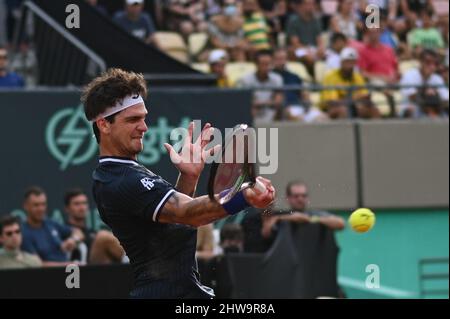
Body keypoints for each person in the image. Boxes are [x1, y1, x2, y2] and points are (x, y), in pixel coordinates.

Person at [81, 68, 275, 299]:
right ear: (104, 125)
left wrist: (189, 178)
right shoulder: (121, 180)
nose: (144, 127)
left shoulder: (120, 174)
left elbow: (174, 226)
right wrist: (243, 196)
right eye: (133, 120)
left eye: (143, 118)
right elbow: (188, 214)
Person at [20, 186, 85, 266]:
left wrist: (73, 240)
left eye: (43, 204)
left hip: (67, 270)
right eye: (36, 205)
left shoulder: (50, 223)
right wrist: (68, 265)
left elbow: (78, 232)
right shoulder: (23, 233)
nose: (41, 209)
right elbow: (37, 264)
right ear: (26, 206)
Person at [262, 181, 345, 239]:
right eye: (296, 196)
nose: (300, 199)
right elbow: (265, 234)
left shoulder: (314, 214)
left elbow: (340, 223)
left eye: (303, 196)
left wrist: (311, 219)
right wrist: (286, 218)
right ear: (288, 198)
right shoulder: (279, 216)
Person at [321, 47, 379, 119]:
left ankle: (372, 129)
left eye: (352, 62)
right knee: (344, 110)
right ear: (341, 62)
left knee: (373, 109)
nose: (350, 65)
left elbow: (364, 95)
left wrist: (362, 100)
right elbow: (332, 102)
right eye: (347, 62)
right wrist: (355, 99)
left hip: (353, 105)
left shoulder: (357, 76)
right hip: (330, 109)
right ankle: (345, 130)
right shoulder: (330, 77)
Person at [273, 48, 325, 122]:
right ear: (273, 60)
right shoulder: (270, 77)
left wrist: (306, 98)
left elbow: (303, 93)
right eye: (278, 59)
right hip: (283, 110)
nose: (281, 62)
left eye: (283, 59)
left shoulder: (294, 77)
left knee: (323, 118)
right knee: (297, 119)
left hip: (298, 107)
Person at [237, 50, 284, 122]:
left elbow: (278, 100)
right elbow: (246, 102)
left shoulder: (277, 78)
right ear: (256, 64)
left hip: (271, 112)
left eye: (268, 64)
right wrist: (267, 103)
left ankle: (275, 130)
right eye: (263, 64)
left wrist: (260, 103)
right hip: (253, 112)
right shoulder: (245, 80)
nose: (266, 67)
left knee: (280, 109)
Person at [400, 49, 449, 118]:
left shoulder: (437, 78)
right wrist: (425, 92)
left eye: (435, 63)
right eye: (428, 62)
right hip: (414, 108)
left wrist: (435, 94)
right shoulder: (409, 75)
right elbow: (412, 97)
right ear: (421, 62)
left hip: (433, 109)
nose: (432, 66)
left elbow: (446, 98)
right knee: (413, 110)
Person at [286, 0, 325, 79]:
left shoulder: (316, 21)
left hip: (312, 49)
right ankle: (313, 80)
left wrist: (320, 49)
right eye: (308, 4)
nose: (310, 6)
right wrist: (308, 51)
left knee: (326, 54)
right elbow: (295, 43)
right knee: (308, 57)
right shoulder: (293, 21)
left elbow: (319, 40)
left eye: (312, 4)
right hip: (298, 50)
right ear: (301, 6)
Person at [64, 188, 97, 264]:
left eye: (84, 203)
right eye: (77, 204)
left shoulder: (93, 233)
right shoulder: (63, 232)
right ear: (67, 208)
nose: (82, 208)